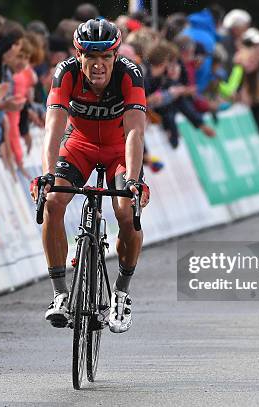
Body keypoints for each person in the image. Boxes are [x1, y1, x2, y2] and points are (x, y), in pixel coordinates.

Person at [30, 18, 149, 334]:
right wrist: (46, 174)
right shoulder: (65, 73)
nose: (98, 65)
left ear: (115, 56)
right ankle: (59, 294)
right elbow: (53, 127)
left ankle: (121, 294)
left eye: (105, 57)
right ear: (78, 55)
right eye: (90, 57)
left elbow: (135, 131)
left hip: (118, 151)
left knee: (126, 213)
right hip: (78, 146)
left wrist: (134, 180)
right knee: (53, 202)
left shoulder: (130, 74)